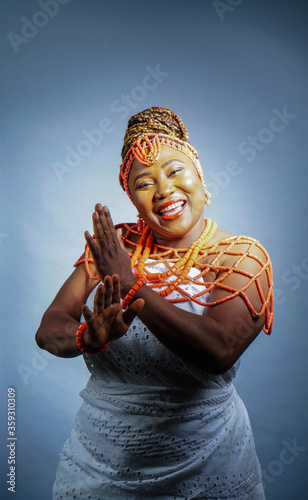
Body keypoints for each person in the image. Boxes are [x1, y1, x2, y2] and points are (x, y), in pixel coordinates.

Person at [36, 106, 274, 499]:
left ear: (199, 175)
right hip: (99, 462)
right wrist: (86, 336)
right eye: (144, 182)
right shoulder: (116, 246)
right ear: (132, 197)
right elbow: (48, 329)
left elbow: (220, 350)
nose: (163, 189)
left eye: (175, 170)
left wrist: (133, 287)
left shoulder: (242, 256)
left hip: (206, 460)